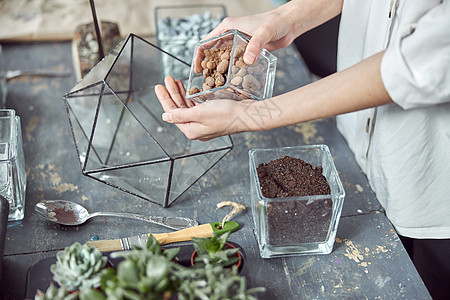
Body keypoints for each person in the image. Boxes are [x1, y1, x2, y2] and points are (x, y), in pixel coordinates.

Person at [155, 0, 450, 298]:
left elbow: (422, 62)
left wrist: (249, 115)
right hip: (356, 134)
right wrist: (282, 18)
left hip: (432, 181)